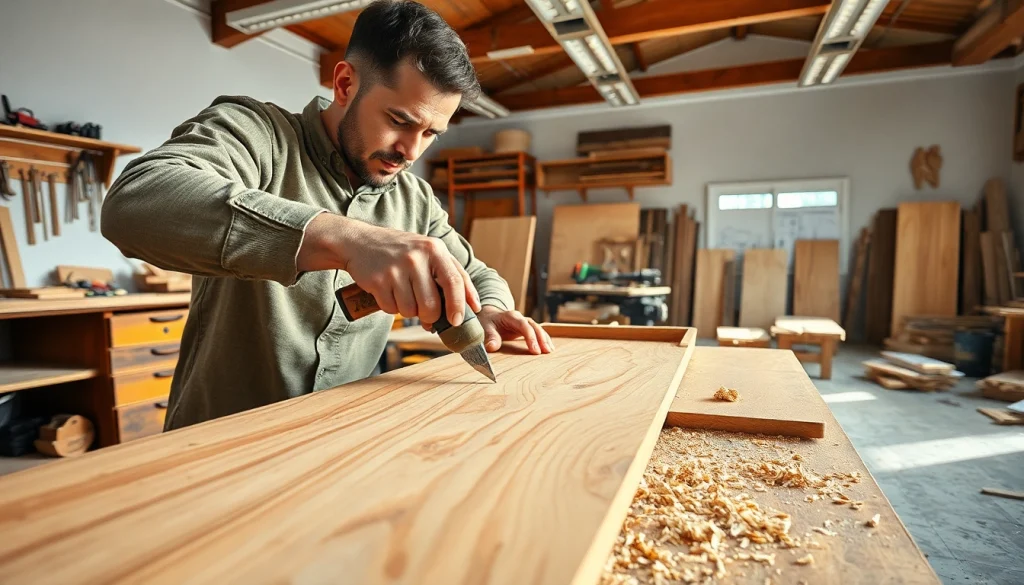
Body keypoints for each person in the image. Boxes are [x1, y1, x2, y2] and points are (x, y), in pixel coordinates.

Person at [101, 0, 553, 431]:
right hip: (215, 441)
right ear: (344, 84)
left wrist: (490, 309)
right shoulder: (256, 135)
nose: (410, 151)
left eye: (430, 133)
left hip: (338, 442)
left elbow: (476, 272)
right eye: (398, 120)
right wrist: (345, 239)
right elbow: (134, 202)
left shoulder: (414, 200)